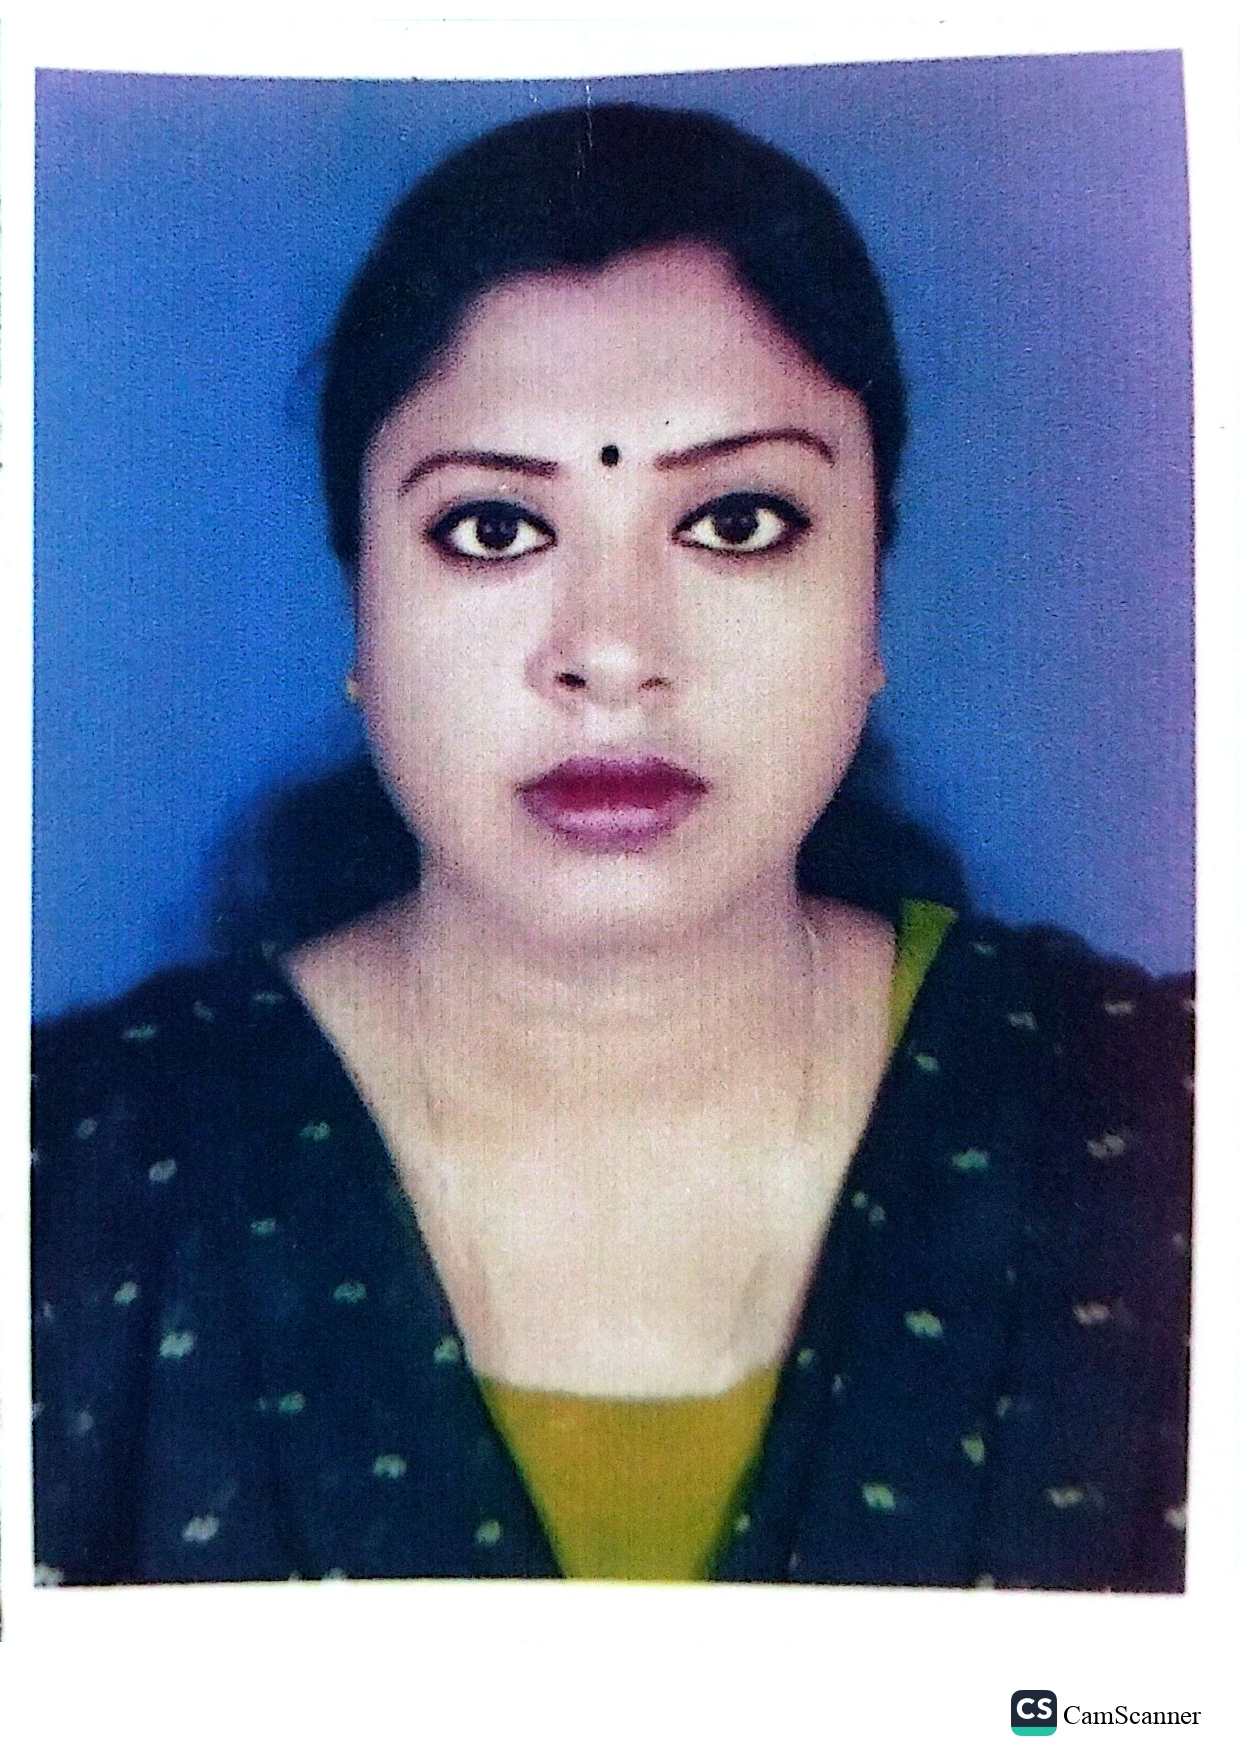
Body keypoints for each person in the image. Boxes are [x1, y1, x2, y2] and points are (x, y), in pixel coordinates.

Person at [32, 103, 1191, 1590]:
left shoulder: (1163, 1127)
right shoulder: (66, 1174)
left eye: (739, 521)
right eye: (493, 531)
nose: (612, 653)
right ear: (361, 611)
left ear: (873, 600)